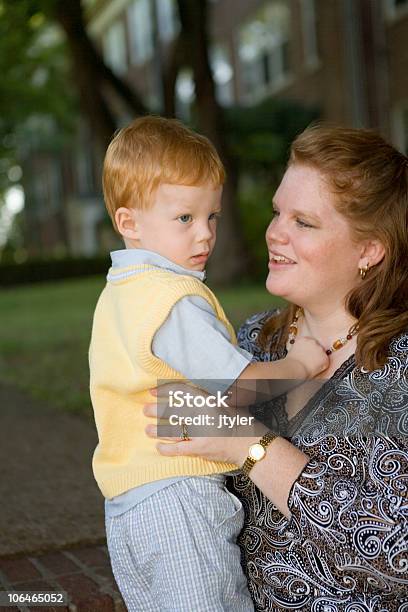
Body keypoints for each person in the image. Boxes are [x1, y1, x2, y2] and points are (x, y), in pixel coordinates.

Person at [145, 125, 408, 611]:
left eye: (303, 222)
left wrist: (248, 444)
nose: (274, 232)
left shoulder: (398, 366)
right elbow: (167, 418)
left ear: (370, 250)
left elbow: (397, 557)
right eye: (276, 212)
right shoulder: (252, 340)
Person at [89, 116, 329, 612]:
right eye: (184, 219)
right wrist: (301, 362)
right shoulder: (171, 298)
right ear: (129, 222)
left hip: (131, 504)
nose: (204, 235)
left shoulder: (122, 292)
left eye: (212, 217)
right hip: (179, 497)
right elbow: (237, 388)